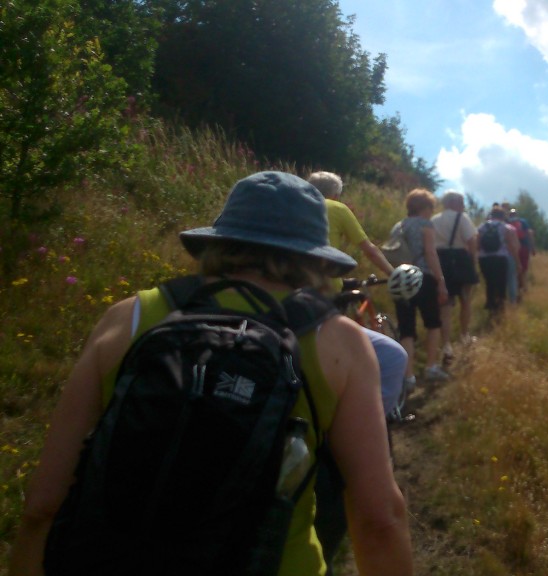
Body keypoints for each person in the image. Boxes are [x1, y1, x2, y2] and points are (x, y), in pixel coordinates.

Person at [9, 171, 413, 576]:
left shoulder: (130, 318)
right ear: (314, 258)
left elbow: (44, 505)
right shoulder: (338, 343)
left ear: (218, 241)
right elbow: (379, 519)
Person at [306, 171, 407, 416]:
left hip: (293, 288)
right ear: (336, 194)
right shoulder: (337, 208)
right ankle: (374, 419)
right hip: (323, 292)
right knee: (393, 356)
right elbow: (369, 250)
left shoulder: (296, 205)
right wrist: (392, 272)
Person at [390, 188, 449, 382]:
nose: (432, 210)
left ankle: (408, 376)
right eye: (431, 207)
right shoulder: (426, 225)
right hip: (423, 278)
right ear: (425, 207)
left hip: (401, 279)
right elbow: (431, 254)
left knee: (406, 329)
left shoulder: (398, 226)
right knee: (433, 323)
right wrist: (440, 281)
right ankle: (431, 367)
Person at [431, 190, 478, 361]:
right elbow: (471, 240)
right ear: (454, 203)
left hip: (440, 260)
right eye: (462, 202)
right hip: (460, 260)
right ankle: (464, 336)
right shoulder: (462, 218)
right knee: (466, 301)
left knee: (445, 306)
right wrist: (473, 260)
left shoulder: (434, 220)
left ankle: (446, 346)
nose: (463, 205)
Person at [477, 207, 520, 313]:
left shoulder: (482, 227)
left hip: (484, 259)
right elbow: (512, 247)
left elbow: (477, 245)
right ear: (503, 216)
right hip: (500, 259)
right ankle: (500, 307)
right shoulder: (507, 228)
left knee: (489, 283)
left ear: (491, 215)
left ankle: (491, 306)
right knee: (501, 283)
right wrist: (517, 262)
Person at [507, 207, 535, 295]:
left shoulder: (507, 223)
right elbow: (529, 234)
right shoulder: (523, 222)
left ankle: (517, 288)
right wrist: (532, 247)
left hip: (511, 249)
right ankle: (524, 288)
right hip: (523, 247)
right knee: (524, 269)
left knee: (514, 270)